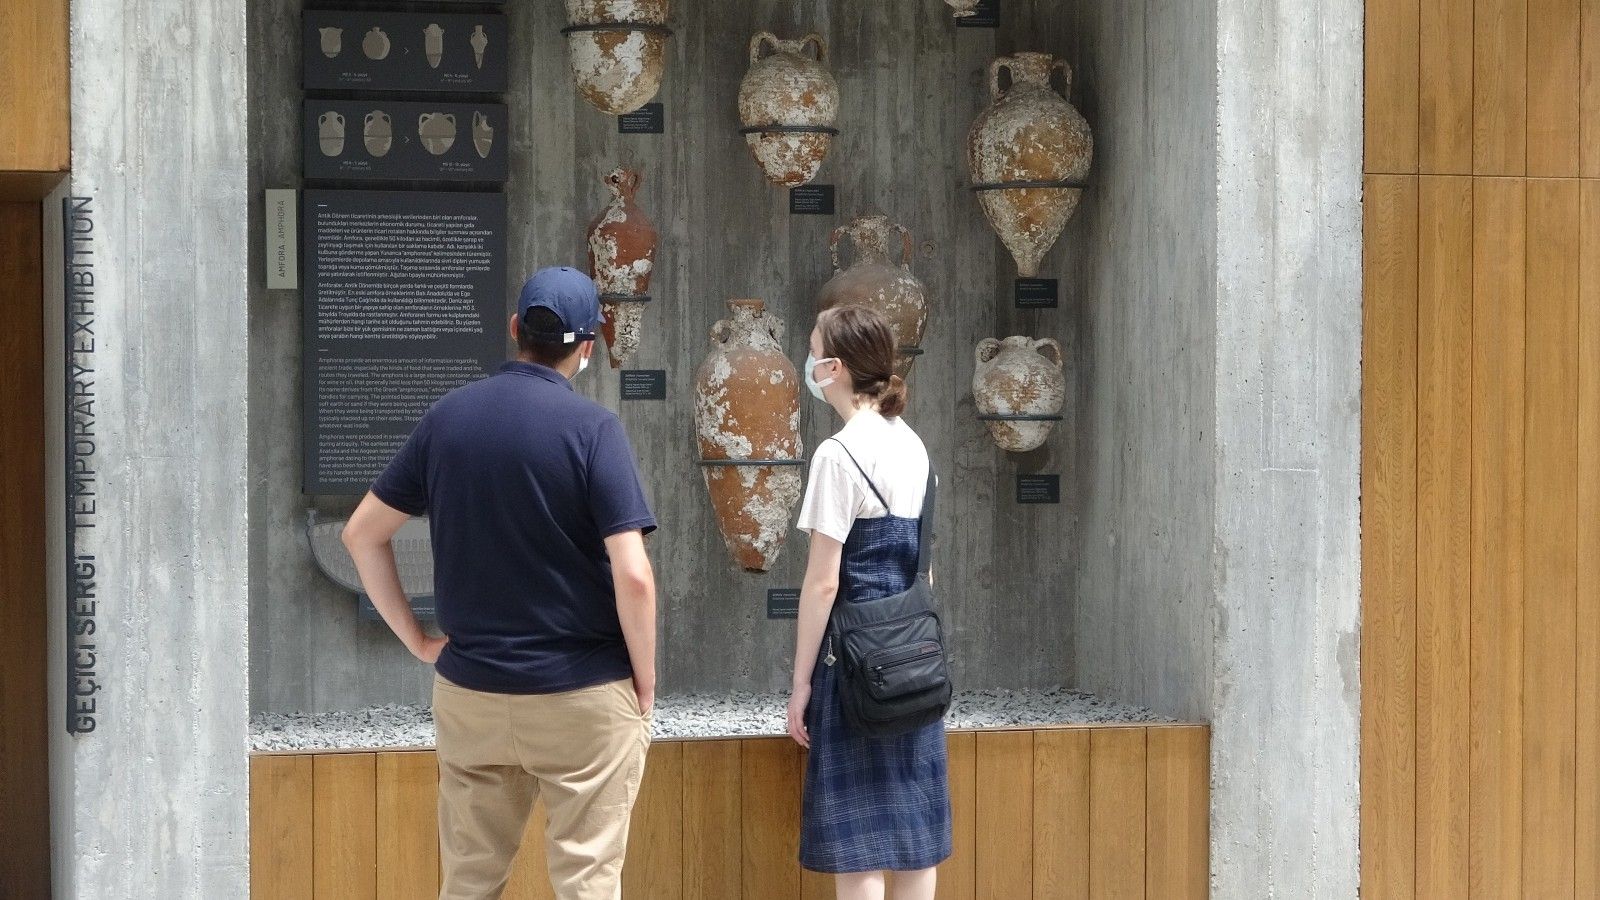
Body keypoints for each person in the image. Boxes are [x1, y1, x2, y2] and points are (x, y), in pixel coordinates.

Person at [341, 266, 658, 900]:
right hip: (582, 694)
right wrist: (644, 682)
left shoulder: (448, 419)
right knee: (588, 883)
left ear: (515, 328)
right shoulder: (593, 430)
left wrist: (418, 640)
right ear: (588, 346)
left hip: (473, 693)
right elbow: (633, 575)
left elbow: (361, 534)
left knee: (469, 881)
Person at [788, 305, 952, 900]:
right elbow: (922, 568)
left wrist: (801, 684)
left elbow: (823, 583)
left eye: (813, 350)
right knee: (914, 835)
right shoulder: (914, 445)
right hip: (915, 657)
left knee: (858, 842)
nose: (808, 361)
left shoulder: (838, 454)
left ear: (834, 368)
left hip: (854, 664)